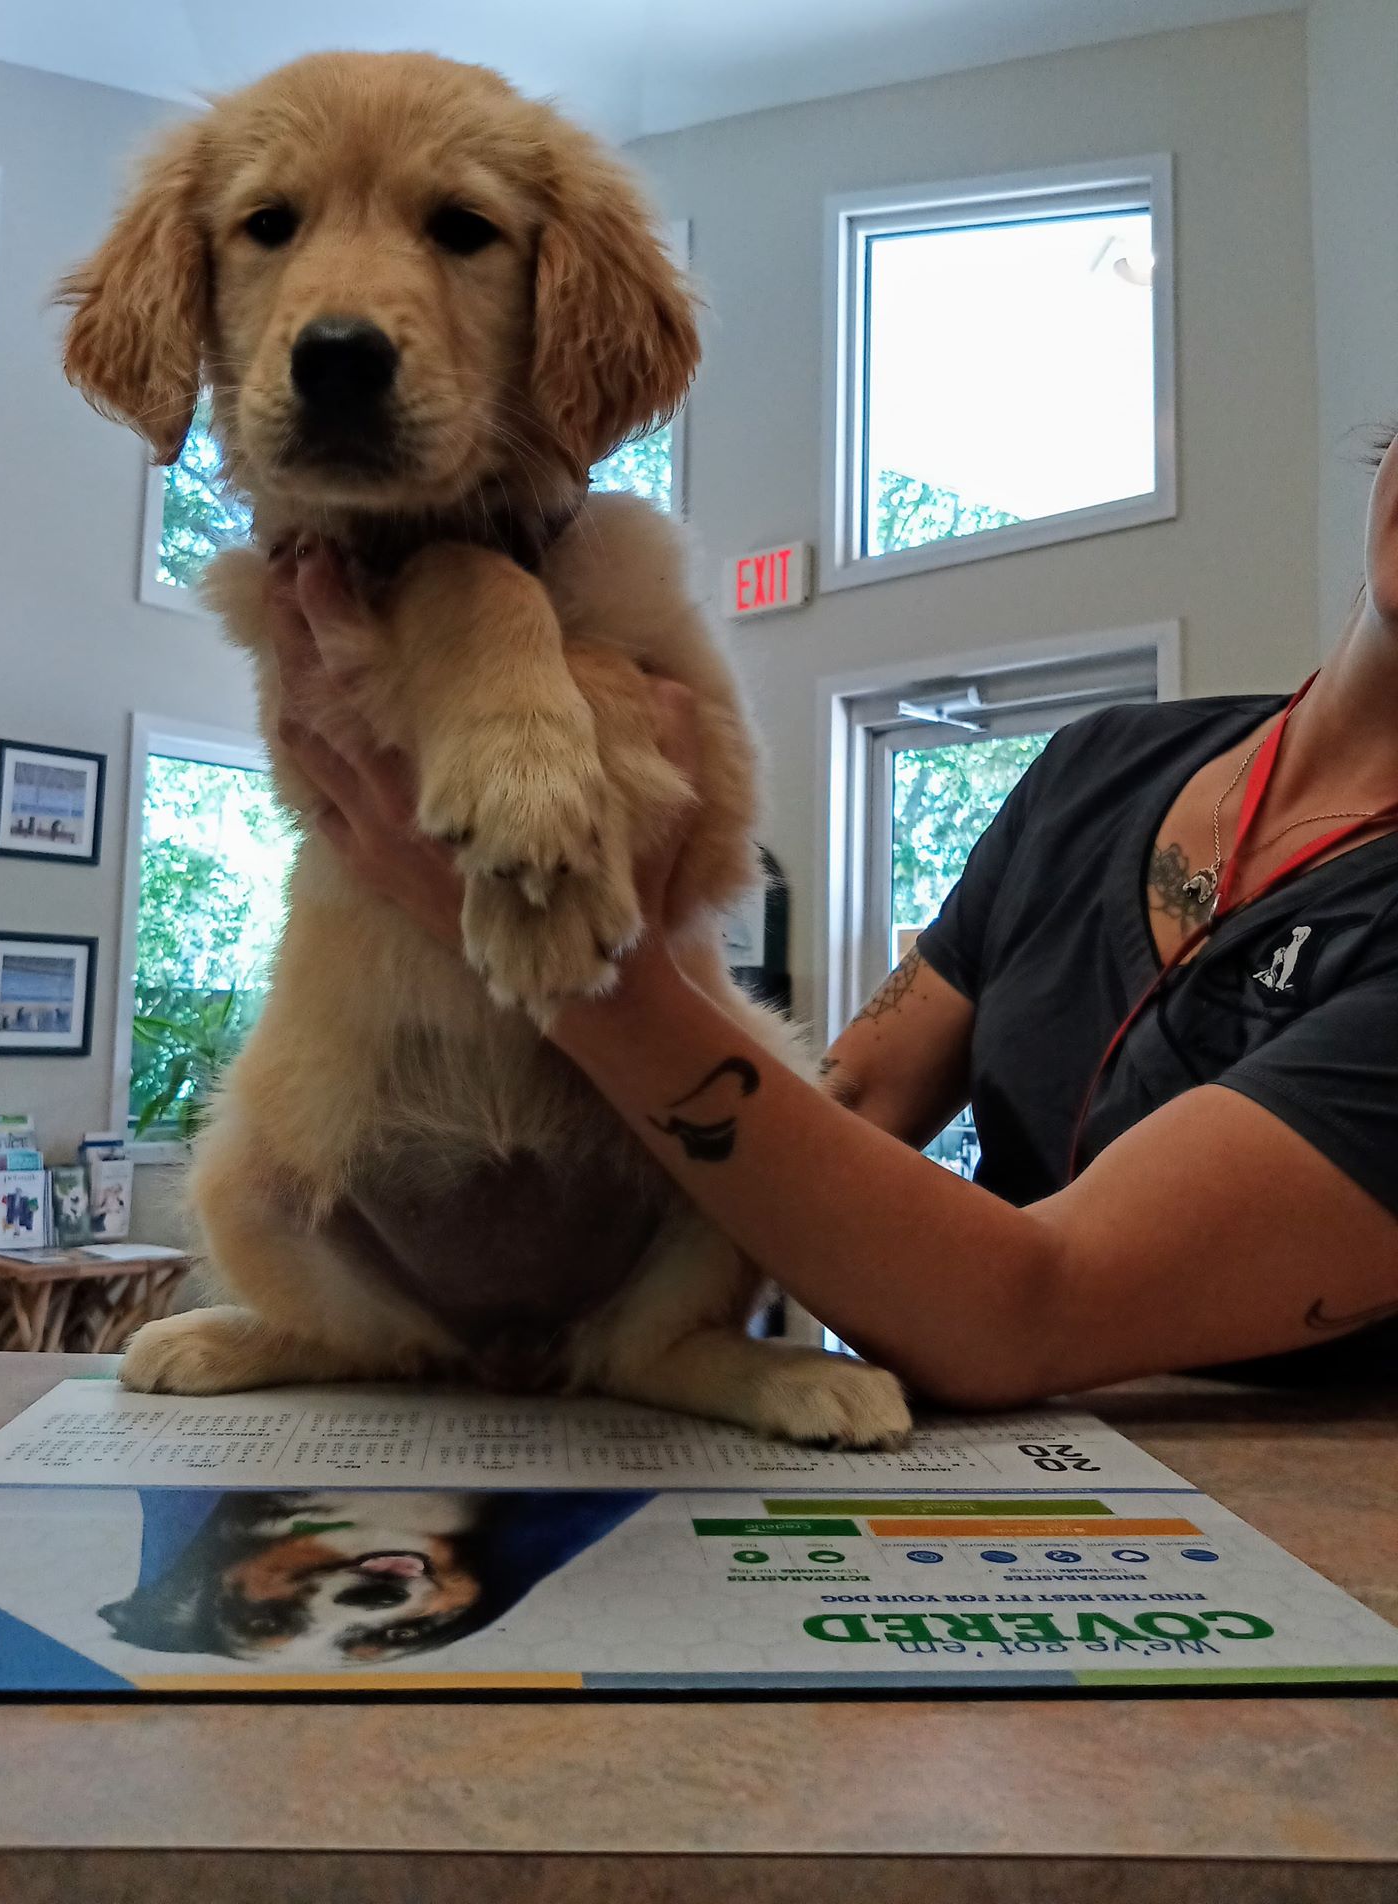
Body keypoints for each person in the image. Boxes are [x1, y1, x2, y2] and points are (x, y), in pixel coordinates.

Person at [264, 436, 1398, 1409]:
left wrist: (572, 964)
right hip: (977, 1481)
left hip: (1274, 1544)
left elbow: (1034, 1306)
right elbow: (842, 1102)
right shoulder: (1102, 766)